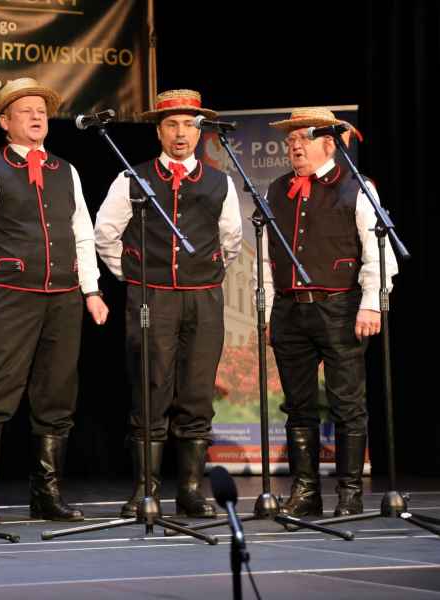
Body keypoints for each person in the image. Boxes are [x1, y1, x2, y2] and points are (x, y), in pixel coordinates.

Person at [0, 78, 109, 524]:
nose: (37, 116)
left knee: (57, 395)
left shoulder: (66, 170)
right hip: (9, 296)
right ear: (5, 121)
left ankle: (47, 492)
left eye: (41, 110)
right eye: (25, 110)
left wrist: (91, 289)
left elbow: (81, 232)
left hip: (62, 297)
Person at [95, 89, 242, 519]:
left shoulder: (220, 181)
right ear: (159, 131)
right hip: (152, 297)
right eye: (172, 125)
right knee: (150, 389)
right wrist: (133, 274)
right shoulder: (132, 178)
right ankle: (147, 490)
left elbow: (231, 239)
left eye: (189, 125)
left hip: (203, 298)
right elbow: (106, 233)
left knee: (197, 392)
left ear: (200, 132)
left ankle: (191, 490)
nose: (181, 133)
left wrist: (206, 271)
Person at [263, 107, 397, 517]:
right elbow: (268, 258)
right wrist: (267, 312)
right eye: (291, 140)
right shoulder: (276, 189)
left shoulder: (356, 187)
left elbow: (378, 252)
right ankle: (306, 491)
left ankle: (349, 492)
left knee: (347, 404)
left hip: (340, 308)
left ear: (328, 143)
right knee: (298, 406)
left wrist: (371, 303)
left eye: (302, 138)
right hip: (290, 310)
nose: (295, 146)